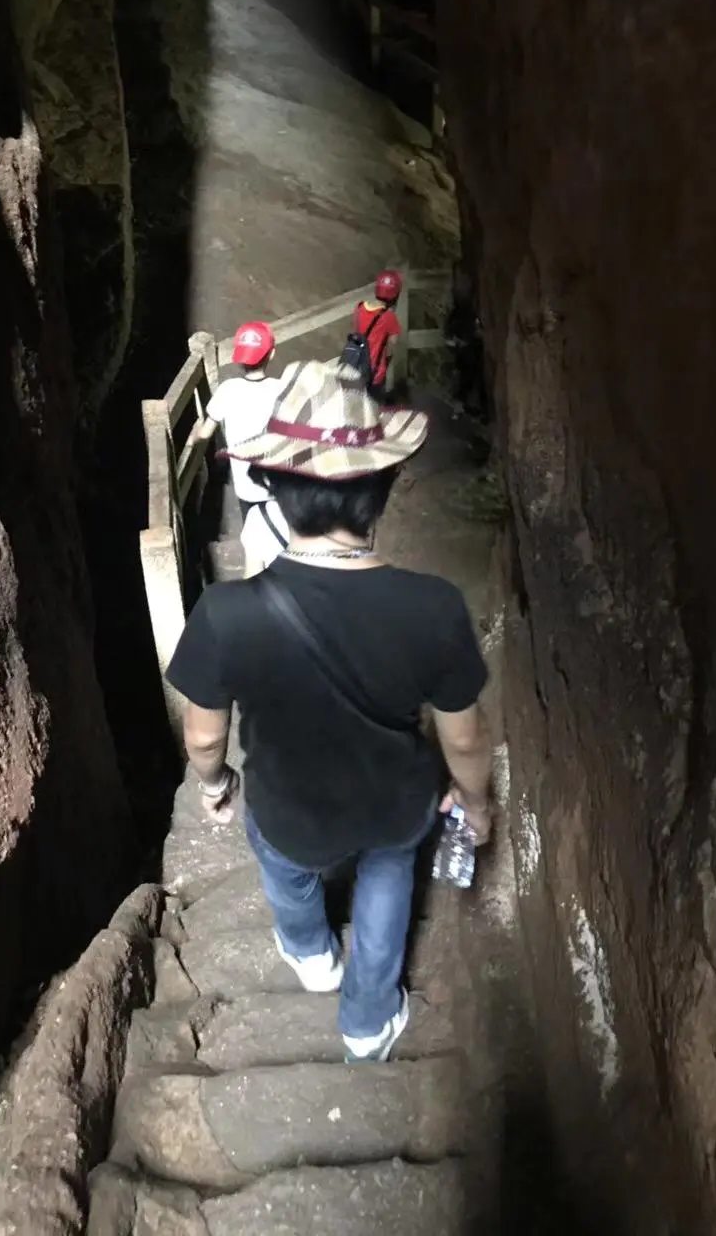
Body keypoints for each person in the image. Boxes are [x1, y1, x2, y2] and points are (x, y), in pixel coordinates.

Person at [167, 360, 495, 1063]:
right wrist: (475, 802)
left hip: (289, 805)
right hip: (392, 804)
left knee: (285, 869)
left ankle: (313, 957)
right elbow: (464, 740)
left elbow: (203, 735)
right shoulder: (433, 606)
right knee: (387, 880)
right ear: (381, 489)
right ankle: (368, 1021)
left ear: (275, 488)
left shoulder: (227, 613)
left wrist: (216, 784)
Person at [199, 321, 283, 577]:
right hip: (279, 483)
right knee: (281, 531)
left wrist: (192, 438)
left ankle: (257, 573)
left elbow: (204, 433)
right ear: (271, 354)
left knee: (254, 533)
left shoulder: (228, 390)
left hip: (246, 485)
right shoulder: (283, 389)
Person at [352, 269, 403, 405]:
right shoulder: (389, 318)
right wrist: (387, 361)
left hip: (356, 366)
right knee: (372, 406)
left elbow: (356, 332)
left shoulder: (360, 307)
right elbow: (391, 347)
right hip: (375, 373)